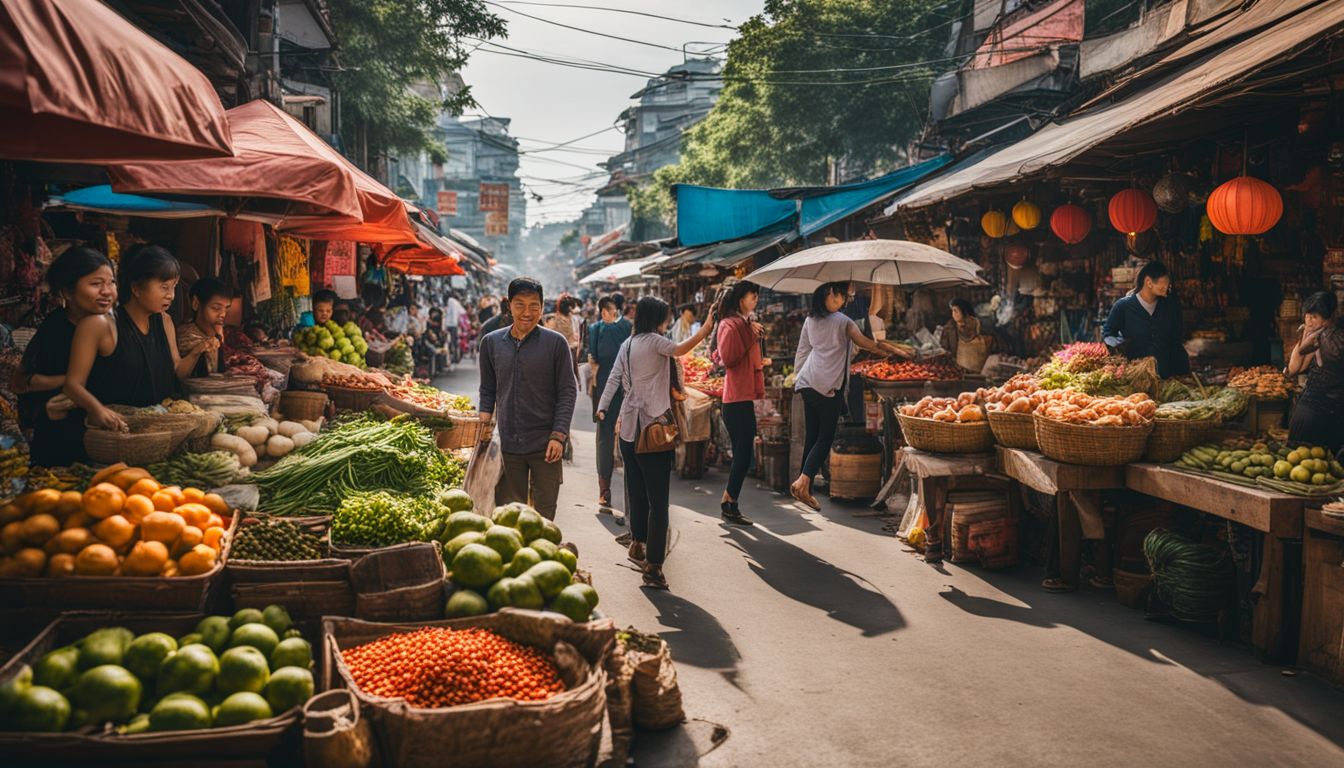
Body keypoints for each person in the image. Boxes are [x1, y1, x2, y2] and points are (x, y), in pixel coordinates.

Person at [598, 296, 715, 589]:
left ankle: (637, 544)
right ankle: (654, 565)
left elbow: (612, 379)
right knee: (659, 501)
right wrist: (706, 328)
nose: (666, 322)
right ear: (657, 319)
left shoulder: (628, 344)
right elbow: (681, 349)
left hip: (629, 430)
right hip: (653, 430)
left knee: (637, 492)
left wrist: (602, 408)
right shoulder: (655, 341)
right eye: (664, 318)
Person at [65, 245, 214, 431]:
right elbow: (72, 385)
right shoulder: (101, 325)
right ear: (136, 288)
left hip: (156, 430)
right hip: (116, 433)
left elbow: (178, 370)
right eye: (164, 287)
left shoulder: (165, 321)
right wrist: (99, 410)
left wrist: (197, 350)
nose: (171, 296)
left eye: (174, 287)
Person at [479, 277, 578, 520]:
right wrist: (483, 422)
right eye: (520, 304)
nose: (527, 312)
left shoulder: (556, 344)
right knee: (511, 515)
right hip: (509, 444)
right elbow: (488, 388)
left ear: (542, 308)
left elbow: (568, 390)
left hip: (546, 445)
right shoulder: (491, 343)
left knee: (544, 516)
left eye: (534, 305)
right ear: (509, 306)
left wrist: (559, 435)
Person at [789, 282, 892, 510]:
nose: (844, 301)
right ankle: (803, 481)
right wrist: (885, 349)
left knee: (812, 435)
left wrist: (797, 377)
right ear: (829, 294)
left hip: (807, 381)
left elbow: (802, 351)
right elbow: (862, 342)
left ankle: (805, 488)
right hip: (827, 385)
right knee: (825, 437)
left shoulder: (810, 320)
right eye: (840, 297)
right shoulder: (842, 321)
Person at [12, 247, 115, 466]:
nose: (107, 291)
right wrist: (74, 382)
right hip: (60, 437)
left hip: (100, 436)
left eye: (111, 282)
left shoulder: (110, 325)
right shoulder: (55, 328)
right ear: (68, 292)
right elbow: (20, 381)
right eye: (96, 284)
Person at [712, 280, 766, 526]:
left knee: (745, 452)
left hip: (743, 396)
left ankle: (730, 501)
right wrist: (748, 332)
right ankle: (728, 501)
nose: (755, 299)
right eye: (751, 295)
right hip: (735, 398)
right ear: (740, 298)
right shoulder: (730, 325)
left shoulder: (743, 324)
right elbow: (728, 357)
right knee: (743, 454)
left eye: (756, 296)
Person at [1102, 261, 1191, 378]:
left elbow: (1176, 339)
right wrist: (1119, 345)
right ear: (1148, 282)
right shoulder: (1122, 307)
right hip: (1136, 376)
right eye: (1163, 285)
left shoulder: (1170, 306)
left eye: (1168, 285)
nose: (1167, 289)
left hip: (1167, 375)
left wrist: (1183, 371)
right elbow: (1108, 334)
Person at [588, 295, 633, 507]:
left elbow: (593, 359)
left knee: (605, 436)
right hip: (625, 386)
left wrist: (594, 388)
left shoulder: (595, 329)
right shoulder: (627, 327)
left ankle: (604, 491)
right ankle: (614, 491)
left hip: (607, 385)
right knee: (626, 435)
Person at [1286, 291, 1344, 454]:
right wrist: (1306, 333)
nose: (1309, 320)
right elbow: (1296, 368)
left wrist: (1306, 335)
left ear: (1329, 318)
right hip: (1325, 409)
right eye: (1307, 315)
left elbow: (1294, 368)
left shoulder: (1325, 338)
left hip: (1320, 411)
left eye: (1315, 317)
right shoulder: (1319, 334)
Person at [177, 278, 231, 377]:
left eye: (226, 309)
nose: (223, 314)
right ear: (196, 303)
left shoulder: (215, 335)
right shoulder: (187, 336)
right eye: (216, 308)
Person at [939, 298, 982, 369]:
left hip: (976, 364)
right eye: (952, 311)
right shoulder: (948, 328)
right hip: (956, 365)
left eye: (956, 311)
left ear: (964, 311)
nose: (953, 314)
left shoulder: (976, 324)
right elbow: (944, 348)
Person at [445, 292, 468, 364]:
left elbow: (451, 314)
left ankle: (453, 357)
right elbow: (461, 313)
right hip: (455, 325)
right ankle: (455, 357)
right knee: (454, 342)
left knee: (451, 342)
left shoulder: (451, 302)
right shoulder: (456, 303)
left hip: (450, 325)